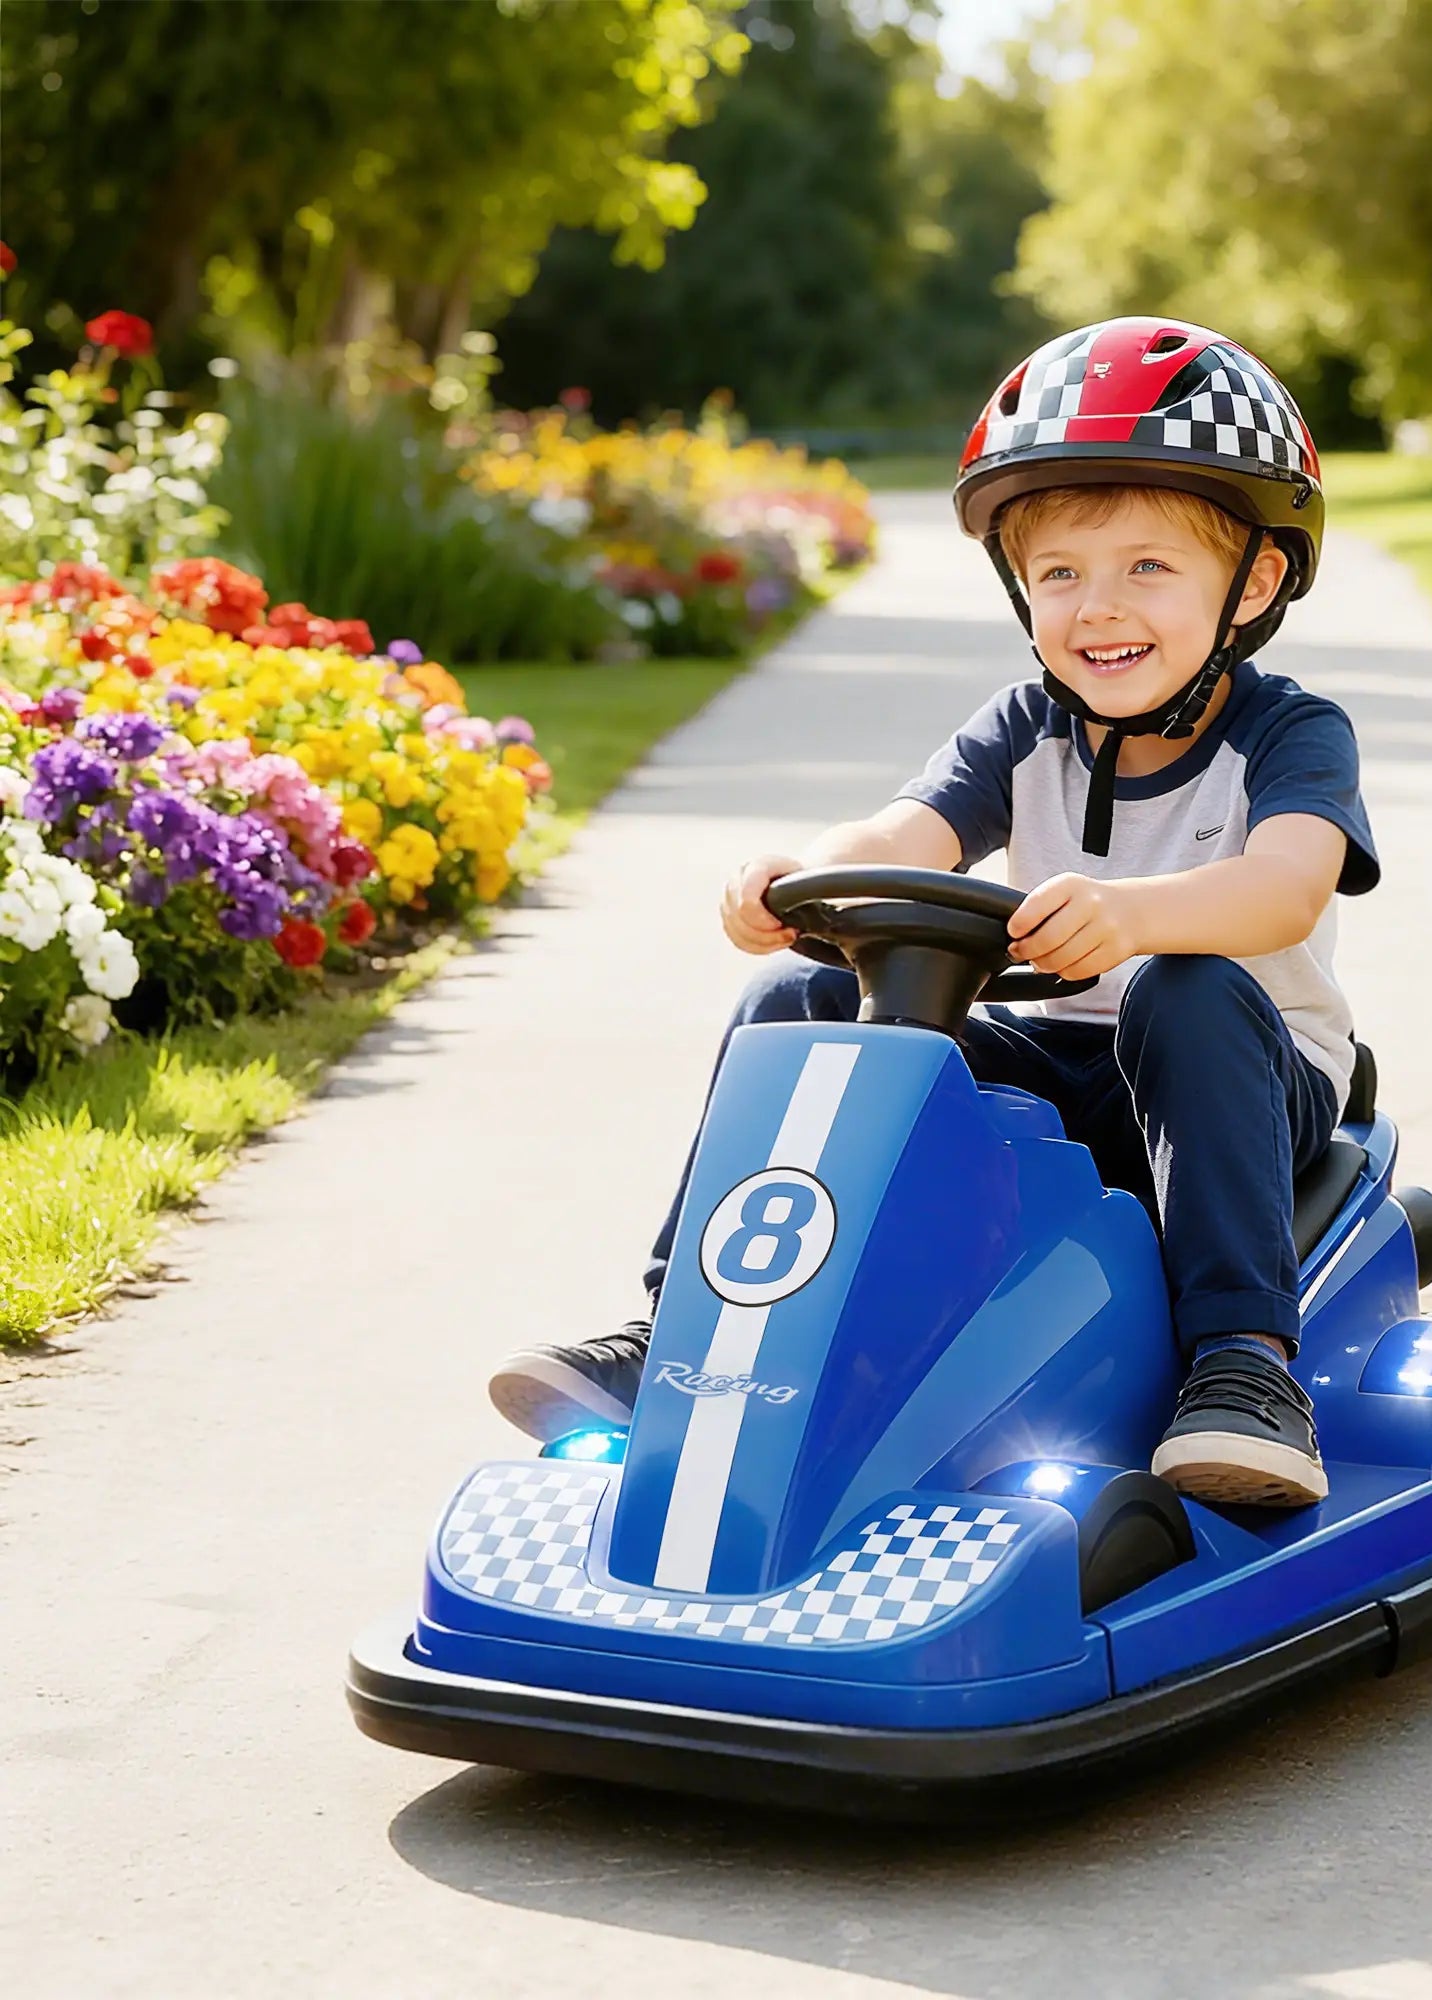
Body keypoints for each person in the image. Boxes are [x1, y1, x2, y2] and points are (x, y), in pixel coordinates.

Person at [490, 317, 1379, 1508]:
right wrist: (794, 877)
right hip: (1066, 1055)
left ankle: (1242, 1366)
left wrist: (1133, 916)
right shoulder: (1022, 725)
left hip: (1247, 1075)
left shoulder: (1289, 730)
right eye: (1059, 572)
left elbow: (1286, 885)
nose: (1095, 608)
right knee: (795, 998)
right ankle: (680, 1339)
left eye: (1146, 568)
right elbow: (895, 839)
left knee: (1187, 983)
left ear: (1254, 580)